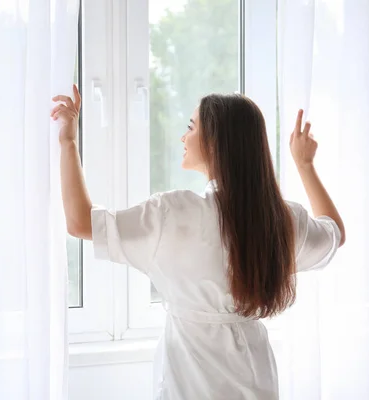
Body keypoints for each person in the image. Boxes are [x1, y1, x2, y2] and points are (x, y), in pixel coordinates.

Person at [52, 85, 346, 400]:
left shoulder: (173, 213)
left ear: (215, 142)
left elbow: (80, 222)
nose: (183, 137)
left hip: (191, 386)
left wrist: (68, 141)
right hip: (257, 381)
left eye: (191, 128)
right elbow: (334, 233)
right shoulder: (282, 220)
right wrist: (305, 165)